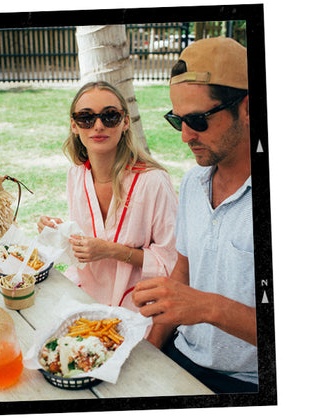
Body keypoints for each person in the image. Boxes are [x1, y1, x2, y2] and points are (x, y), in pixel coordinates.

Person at [132, 37, 258, 394]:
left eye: (198, 120)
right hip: (181, 355)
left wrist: (208, 307)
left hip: (247, 382)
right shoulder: (192, 183)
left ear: (247, 108)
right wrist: (151, 348)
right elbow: (184, 272)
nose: (186, 136)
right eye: (178, 120)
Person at [38, 81, 178, 311]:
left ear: (125, 122)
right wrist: (58, 232)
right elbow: (82, 247)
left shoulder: (153, 181)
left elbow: (172, 261)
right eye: (86, 118)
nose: (98, 126)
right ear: (74, 125)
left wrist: (111, 250)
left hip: (141, 304)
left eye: (110, 116)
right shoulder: (76, 175)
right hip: (86, 296)